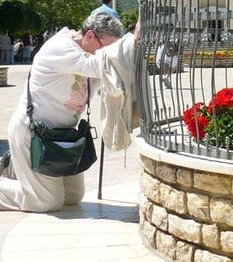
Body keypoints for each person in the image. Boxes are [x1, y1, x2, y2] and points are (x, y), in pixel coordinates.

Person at [0, 12, 138, 212]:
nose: (108, 54)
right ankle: (17, 176)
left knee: (72, 197)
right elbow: (103, 65)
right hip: (34, 133)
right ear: (89, 36)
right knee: (46, 202)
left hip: (63, 137)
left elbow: (113, 68)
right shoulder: (61, 48)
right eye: (105, 48)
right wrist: (133, 40)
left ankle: (16, 168)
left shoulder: (88, 50)